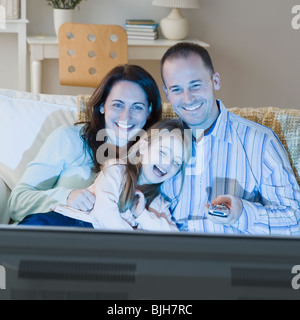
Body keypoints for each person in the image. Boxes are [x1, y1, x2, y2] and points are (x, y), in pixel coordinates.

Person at [160, 42, 300, 235]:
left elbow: (295, 222)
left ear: (215, 81)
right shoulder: (155, 142)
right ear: (167, 93)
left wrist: (242, 213)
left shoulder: (260, 143)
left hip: (230, 259)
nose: (188, 98)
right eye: (176, 90)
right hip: (168, 258)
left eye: (196, 85)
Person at [10, 64, 162, 225]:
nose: (126, 116)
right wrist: (66, 196)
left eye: (137, 107)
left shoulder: (158, 156)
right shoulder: (69, 138)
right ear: (103, 105)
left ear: (149, 112)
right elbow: (17, 203)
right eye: (117, 105)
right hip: (55, 235)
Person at [20, 119, 192, 231]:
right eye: (163, 152)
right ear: (143, 147)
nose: (167, 164)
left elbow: (172, 236)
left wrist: (142, 215)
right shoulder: (116, 169)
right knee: (35, 231)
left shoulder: (157, 202)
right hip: (73, 223)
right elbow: (104, 212)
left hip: (99, 243)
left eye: (177, 162)